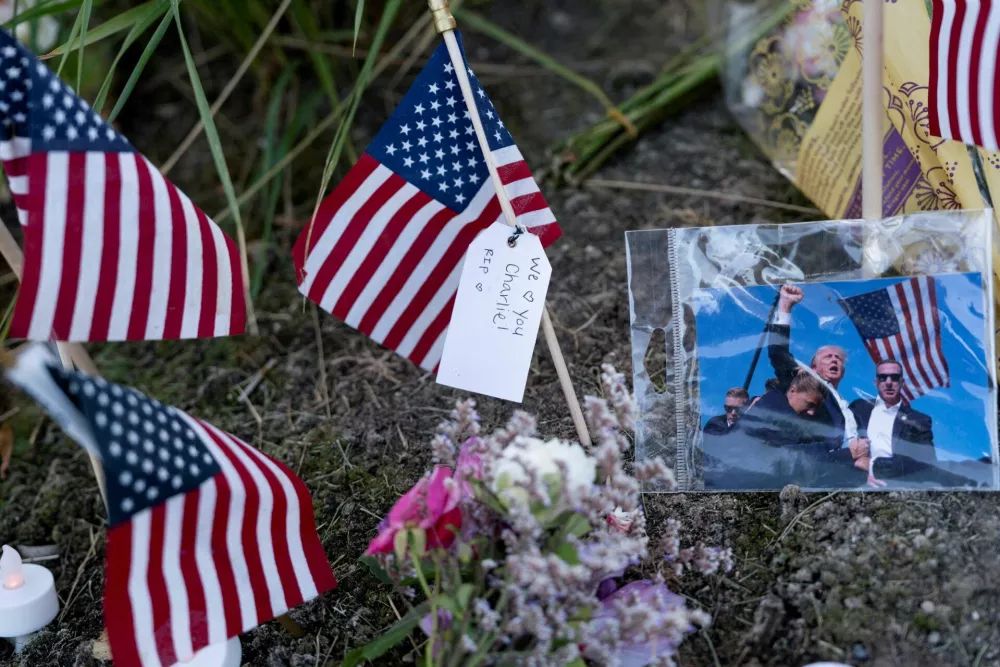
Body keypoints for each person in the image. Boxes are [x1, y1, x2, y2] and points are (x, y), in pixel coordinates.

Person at [703, 372, 864, 489]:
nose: (812, 412)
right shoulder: (776, 416)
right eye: (809, 405)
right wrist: (846, 454)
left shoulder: (778, 403)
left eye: (816, 407)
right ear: (792, 391)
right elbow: (790, 461)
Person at [768, 285, 868, 461]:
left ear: (843, 372)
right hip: (818, 463)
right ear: (813, 367)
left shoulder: (846, 405)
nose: (834, 360)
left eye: (838, 359)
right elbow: (778, 353)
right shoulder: (806, 381)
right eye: (828, 357)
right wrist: (785, 307)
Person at [849, 359, 935, 485]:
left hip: (897, 487)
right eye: (883, 378)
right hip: (856, 483)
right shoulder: (859, 408)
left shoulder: (918, 420)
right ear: (876, 382)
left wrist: (873, 465)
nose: (888, 382)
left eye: (894, 378)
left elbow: (926, 463)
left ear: (902, 383)